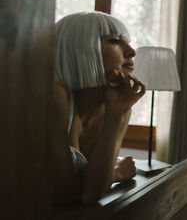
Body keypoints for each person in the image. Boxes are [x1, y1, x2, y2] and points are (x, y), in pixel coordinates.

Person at [51, 11, 146, 204]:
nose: (131, 51)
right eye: (115, 41)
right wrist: (116, 171)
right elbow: (64, 194)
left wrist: (118, 117)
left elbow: (90, 195)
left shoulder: (114, 107)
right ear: (79, 49)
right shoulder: (54, 95)